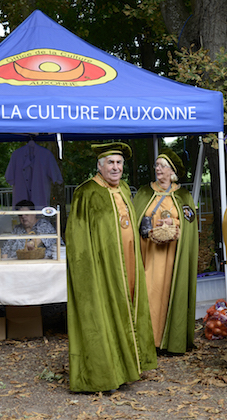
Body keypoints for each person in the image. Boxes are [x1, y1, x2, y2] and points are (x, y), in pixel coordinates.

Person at [65, 142, 157, 392]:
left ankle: (128, 367)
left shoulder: (125, 188)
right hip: (103, 270)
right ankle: (105, 373)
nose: (115, 168)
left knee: (126, 313)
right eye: (110, 163)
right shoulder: (87, 193)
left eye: (119, 163)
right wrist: (87, 273)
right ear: (100, 166)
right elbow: (77, 237)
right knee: (105, 315)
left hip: (128, 265)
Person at [133, 151, 198, 354]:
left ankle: (169, 340)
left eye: (163, 165)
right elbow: (136, 217)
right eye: (157, 165)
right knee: (149, 292)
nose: (158, 169)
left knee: (169, 292)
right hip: (149, 252)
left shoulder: (183, 196)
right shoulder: (145, 193)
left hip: (172, 256)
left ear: (173, 171)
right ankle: (148, 340)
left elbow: (190, 223)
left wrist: (173, 222)